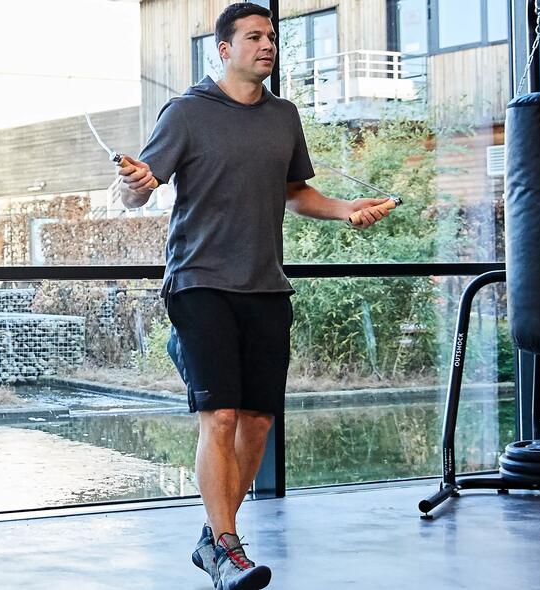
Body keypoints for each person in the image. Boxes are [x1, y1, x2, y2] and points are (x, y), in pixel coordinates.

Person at [112, 3, 391, 589]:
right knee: (221, 416)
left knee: (258, 422)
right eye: (255, 36)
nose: (267, 45)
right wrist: (132, 183)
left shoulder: (283, 116)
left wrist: (348, 211)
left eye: (272, 37)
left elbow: (295, 192)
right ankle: (229, 548)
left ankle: (214, 539)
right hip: (200, 283)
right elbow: (139, 194)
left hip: (266, 286)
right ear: (224, 48)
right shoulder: (187, 113)